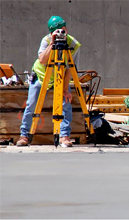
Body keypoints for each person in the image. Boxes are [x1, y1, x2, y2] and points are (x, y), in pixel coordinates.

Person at [16, 15, 81, 147]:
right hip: (41, 76)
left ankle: (64, 136)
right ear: (51, 32)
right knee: (31, 104)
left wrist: (65, 88)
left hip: (60, 78)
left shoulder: (73, 44)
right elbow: (42, 60)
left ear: (66, 28)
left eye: (62, 30)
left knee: (65, 104)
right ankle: (24, 135)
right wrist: (52, 43)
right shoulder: (46, 40)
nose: (60, 34)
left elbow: (71, 69)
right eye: (56, 31)